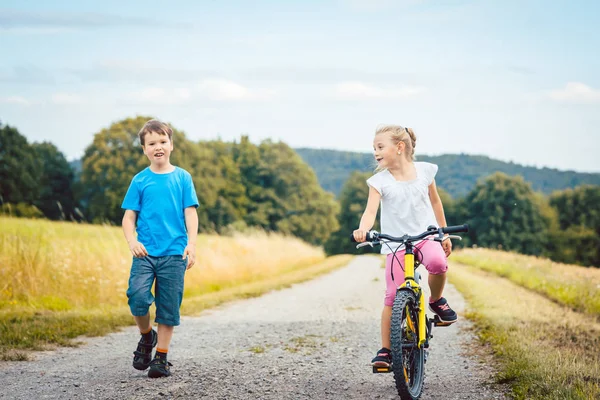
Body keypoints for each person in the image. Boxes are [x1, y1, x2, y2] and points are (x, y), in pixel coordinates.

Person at [352, 124, 456, 368]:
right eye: (374, 148)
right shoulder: (379, 181)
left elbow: (435, 202)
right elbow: (370, 212)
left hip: (425, 236)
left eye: (380, 147)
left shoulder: (425, 172)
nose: (375, 153)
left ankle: (436, 301)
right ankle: (386, 350)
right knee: (391, 295)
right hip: (395, 242)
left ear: (399, 147)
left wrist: (443, 233)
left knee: (439, 263)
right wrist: (363, 230)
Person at [121, 119, 199, 378]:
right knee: (138, 297)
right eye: (151, 143)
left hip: (174, 254)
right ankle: (146, 337)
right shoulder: (140, 180)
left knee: (168, 306)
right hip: (145, 253)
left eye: (163, 142)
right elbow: (129, 217)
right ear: (144, 149)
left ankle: (161, 359)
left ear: (171, 145)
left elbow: (190, 214)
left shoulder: (183, 178)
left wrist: (192, 244)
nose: (158, 147)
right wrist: (132, 241)